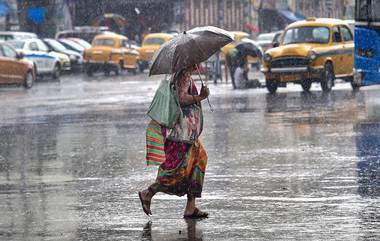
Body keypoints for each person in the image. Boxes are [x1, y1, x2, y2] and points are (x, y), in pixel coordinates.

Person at [139, 64, 210, 219]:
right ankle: (148, 193)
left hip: (186, 134)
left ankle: (191, 207)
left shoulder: (182, 74)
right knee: (178, 171)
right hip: (180, 135)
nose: (199, 62)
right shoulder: (183, 75)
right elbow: (181, 98)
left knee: (198, 161)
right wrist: (201, 97)